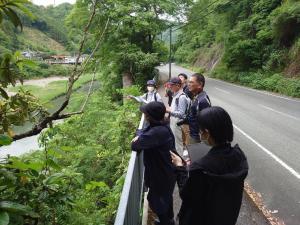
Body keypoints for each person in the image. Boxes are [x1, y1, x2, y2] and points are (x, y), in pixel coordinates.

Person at [170, 106, 249, 225]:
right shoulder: (238, 155)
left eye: (200, 130)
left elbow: (187, 195)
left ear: (206, 133)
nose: (199, 133)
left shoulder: (201, 168)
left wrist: (180, 167)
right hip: (226, 217)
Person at [131, 102, 176, 225]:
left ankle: (166, 222)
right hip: (164, 171)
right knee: (165, 198)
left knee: (157, 201)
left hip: (161, 174)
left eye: (146, 113)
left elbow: (135, 145)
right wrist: (140, 135)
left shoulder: (157, 132)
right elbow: (142, 132)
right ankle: (169, 220)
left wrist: (138, 137)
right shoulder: (160, 125)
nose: (144, 115)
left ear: (150, 116)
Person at [166, 77, 190, 157]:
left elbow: (181, 114)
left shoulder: (181, 97)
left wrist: (169, 111)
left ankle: (180, 164)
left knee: (178, 144)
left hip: (178, 123)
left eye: (171, 85)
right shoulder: (175, 95)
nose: (170, 86)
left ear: (178, 85)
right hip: (175, 122)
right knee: (176, 142)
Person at [187, 73, 211, 144]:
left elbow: (206, 124)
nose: (188, 84)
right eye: (188, 82)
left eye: (191, 82)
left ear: (200, 84)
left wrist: (202, 141)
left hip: (197, 138)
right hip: (193, 134)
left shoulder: (202, 101)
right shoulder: (197, 96)